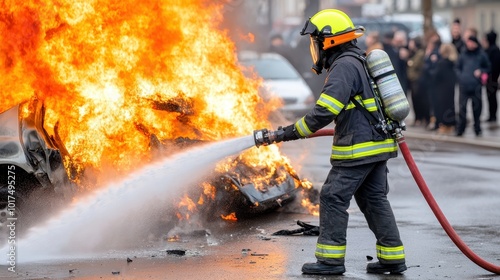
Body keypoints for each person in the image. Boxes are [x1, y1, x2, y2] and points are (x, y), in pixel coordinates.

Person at [256, 9, 407, 275]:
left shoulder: (344, 66)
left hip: (359, 147)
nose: (313, 46)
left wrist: (284, 133)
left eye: (315, 40)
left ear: (329, 40)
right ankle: (392, 257)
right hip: (377, 145)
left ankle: (330, 260)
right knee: (374, 199)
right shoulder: (357, 60)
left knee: (332, 196)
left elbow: (324, 112)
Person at [455, 35, 490, 136]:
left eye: (471, 42)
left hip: (476, 86)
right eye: (468, 42)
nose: (470, 44)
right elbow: (457, 68)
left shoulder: (481, 54)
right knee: (462, 109)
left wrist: (481, 71)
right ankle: (460, 129)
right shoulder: (463, 54)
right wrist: (460, 77)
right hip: (464, 85)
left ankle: (477, 128)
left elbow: (488, 67)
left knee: (477, 109)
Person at [431, 43, 458, 134]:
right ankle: (450, 124)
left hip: (441, 88)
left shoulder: (441, 63)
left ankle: (444, 124)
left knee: (441, 106)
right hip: (450, 88)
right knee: (450, 105)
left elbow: (435, 75)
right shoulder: (452, 62)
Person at [407, 36, 429, 127]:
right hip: (413, 80)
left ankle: (422, 119)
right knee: (414, 101)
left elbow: (414, 64)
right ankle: (418, 118)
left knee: (419, 101)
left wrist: (410, 62)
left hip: (418, 80)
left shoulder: (420, 53)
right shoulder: (413, 53)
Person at [483, 30, 500, 123]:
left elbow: (495, 65)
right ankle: (491, 115)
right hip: (490, 77)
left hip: (492, 78)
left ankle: (493, 115)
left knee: (492, 97)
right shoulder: (491, 49)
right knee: (490, 97)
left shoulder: (494, 50)